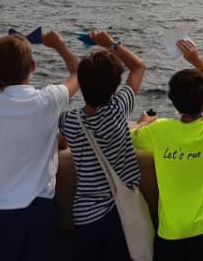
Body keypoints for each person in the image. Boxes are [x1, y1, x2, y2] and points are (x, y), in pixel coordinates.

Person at [0, 27, 80, 261]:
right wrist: (60, 46)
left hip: (2, 211)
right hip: (41, 208)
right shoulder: (49, 99)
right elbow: (78, 74)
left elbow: (3, 89)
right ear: (33, 67)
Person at [132, 39, 203, 261]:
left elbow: (131, 137)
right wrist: (198, 61)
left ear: (173, 102)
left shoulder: (159, 130)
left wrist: (142, 122)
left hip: (170, 234)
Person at [58, 31, 147, 261]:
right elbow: (138, 67)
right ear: (115, 86)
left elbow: (60, 141)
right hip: (121, 213)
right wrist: (110, 43)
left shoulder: (69, 121)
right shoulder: (119, 109)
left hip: (86, 216)